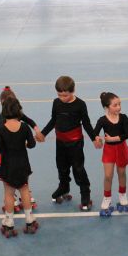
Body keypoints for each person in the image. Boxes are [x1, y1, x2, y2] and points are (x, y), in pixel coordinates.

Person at [37, 76, 101, 211]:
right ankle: (64, 187)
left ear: (73, 91)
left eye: (65, 95)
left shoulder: (80, 104)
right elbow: (53, 120)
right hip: (60, 142)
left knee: (78, 168)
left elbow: (87, 124)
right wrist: (43, 133)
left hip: (75, 143)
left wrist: (94, 138)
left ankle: (85, 193)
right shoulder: (56, 103)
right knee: (61, 166)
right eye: (59, 95)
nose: (62, 98)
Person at [0, 96, 38, 237]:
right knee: (24, 191)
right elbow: (32, 144)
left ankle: (9, 222)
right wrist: (25, 144)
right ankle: (29, 219)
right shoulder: (24, 127)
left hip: (8, 166)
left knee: (9, 194)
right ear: (19, 111)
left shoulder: (0, 130)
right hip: (23, 165)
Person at [0, 86, 41, 211]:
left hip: (16, 151)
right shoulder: (3, 116)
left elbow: (30, 121)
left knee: (20, 175)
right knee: (10, 177)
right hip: (7, 152)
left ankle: (23, 195)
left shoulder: (17, 114)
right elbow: (4, 135)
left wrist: (37, 130)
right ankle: (13, 197)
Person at [93, 92, 128, 216]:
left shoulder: (124, 118)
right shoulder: (102, 120)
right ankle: (107, 197)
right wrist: (97, 139)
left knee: (122, 173)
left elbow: (127, 134)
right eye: (115, 105)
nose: (118, 107)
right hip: (109, 150)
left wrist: (112, 139)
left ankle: (122, 195)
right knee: (108, 176)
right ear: (107, 107)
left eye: (119, 104)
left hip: (121, 149)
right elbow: (95, 133)